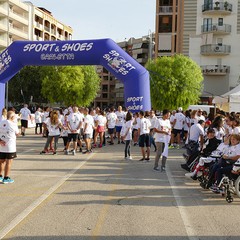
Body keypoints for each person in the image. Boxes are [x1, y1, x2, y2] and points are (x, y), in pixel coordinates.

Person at [0, 111, 19, 184]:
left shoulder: (1, 122)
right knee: (9, 161)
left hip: (1, 146)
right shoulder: (13, 124)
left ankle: (0, 176)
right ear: (12, 117)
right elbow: (17, 133)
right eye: (14, 116)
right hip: (10, 146)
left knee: (1, 161)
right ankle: (6, 177)